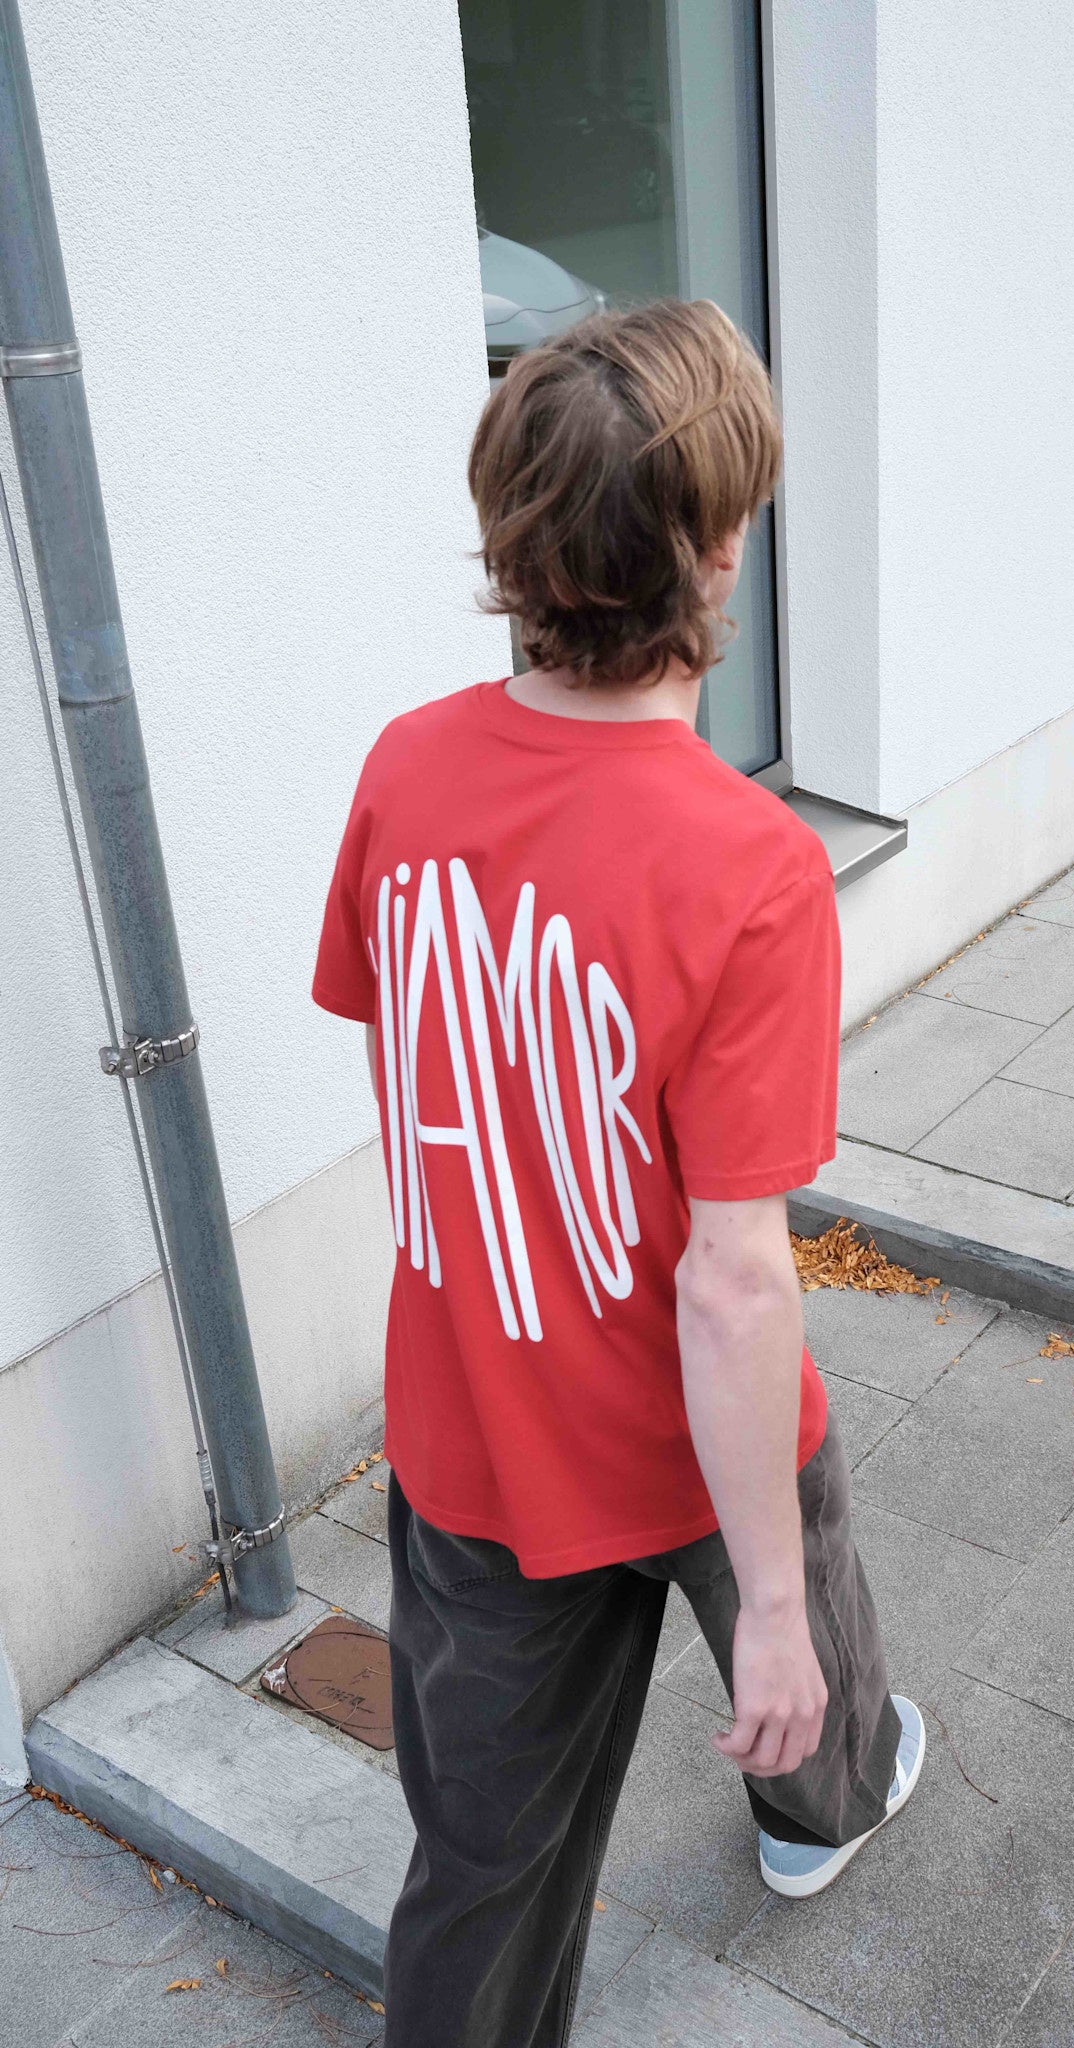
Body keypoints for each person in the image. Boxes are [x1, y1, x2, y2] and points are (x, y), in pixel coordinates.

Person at [312, 298, 924, 2048]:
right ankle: (817, 1808)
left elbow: (417, 1050)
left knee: (481, 1874)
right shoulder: (749, 865)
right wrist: (773, 1615)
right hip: (694, 1438)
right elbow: (732, 1281)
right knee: (802, 1638)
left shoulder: (403, 769)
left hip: (474, 1439)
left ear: (512, 540)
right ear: (715, 550)